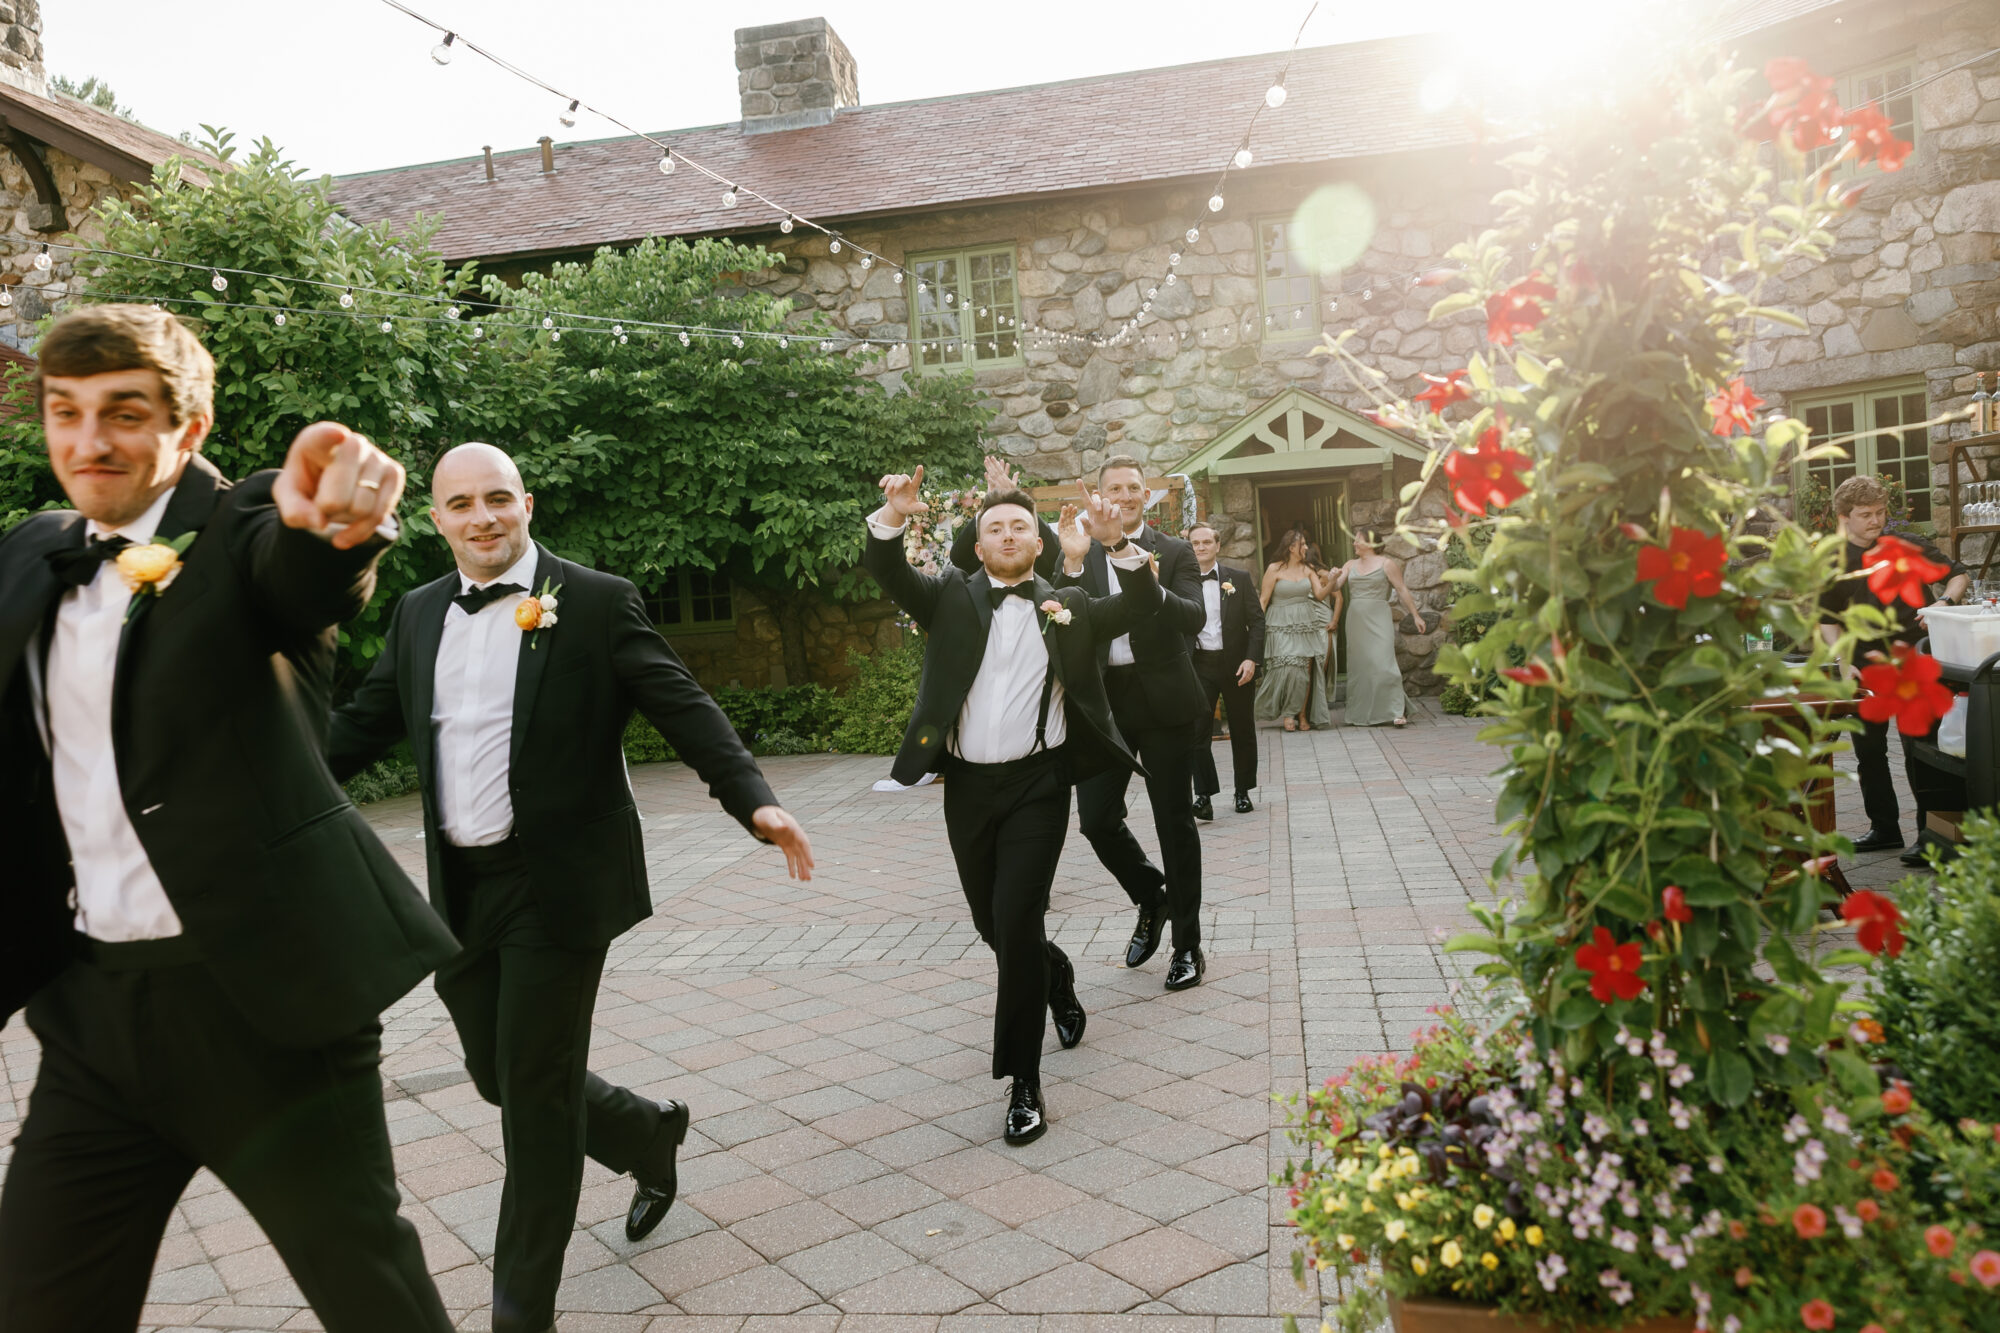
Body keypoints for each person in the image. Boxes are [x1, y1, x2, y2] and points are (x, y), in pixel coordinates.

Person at [0, 304, 457, 1332]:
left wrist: (335, 528)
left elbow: (300, 568)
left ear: (189, 427)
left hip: (262, 1008)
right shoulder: (30, 551)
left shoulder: (243, 523)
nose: (88, 441)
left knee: (373, 1299)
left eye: (123, 413)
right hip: (91, 1014)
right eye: (65, 412)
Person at [328, 443, 814, 1333]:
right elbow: (356, 730)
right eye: (461, 503)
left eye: (497, 498)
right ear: (436, 519)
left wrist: (754, 799)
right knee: (497, 1073)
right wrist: (258, 791)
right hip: (459, 886)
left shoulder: (593, 600)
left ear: (528, 504)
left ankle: (522, 1316)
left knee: (536, 1105)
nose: (482, 517)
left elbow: (682, 703)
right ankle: (643, 1131)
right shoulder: (418, 611)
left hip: (556, 887)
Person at [866, 467, 1161, 1143]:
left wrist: (1118, 543)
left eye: (1019, 527)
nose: (1006, 535)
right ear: (977, 546)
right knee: (992, 923)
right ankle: (1054, 974)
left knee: (1018, 919)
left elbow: (1142, 604)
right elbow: (887, 569)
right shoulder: (947, 598)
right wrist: (894, 517)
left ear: (1039, 543)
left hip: (1038, 786)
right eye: (994, 527)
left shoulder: (1070, 606)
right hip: (967, 788)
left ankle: (1024, 1082)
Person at [951, 455, 1209, 990]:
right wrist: (1005, 501)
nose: (1125, 495)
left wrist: (1145, 581)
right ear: (1098, 494)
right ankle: (1152, 896)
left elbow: (1194, 616)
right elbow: (1016, 583)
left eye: (1134, 487)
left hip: (1165, 702)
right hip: (1101, 705)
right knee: (1096, 819)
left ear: (1146, 494)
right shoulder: (1075, 546)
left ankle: (1187, 945)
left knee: (1173, 823)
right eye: (1115, 487)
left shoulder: (1174, 550)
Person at [1815, 473, 1968, 854]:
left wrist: (1943, 603)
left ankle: (1935, 839)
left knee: (1924, 752)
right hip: (1865, 664)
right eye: (1865, 514)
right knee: (1869, 752)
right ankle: (1884, 829)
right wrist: (1841, 660)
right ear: (1844, 517)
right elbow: (1826, 618)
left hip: (1914, 658)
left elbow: (1958, 575)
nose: (1876, 520)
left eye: (1880, 512)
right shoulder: (1833, 561)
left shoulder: (1906, 545)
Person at [1186, 521, 1264, 818]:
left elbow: (1257, 621)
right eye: (1195, 543)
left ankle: (1243, 791)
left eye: (1207, 542)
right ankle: (1203, 796)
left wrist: (1251, 659)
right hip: (1199, 664)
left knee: (1242, 729)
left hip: (1236, 664)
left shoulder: (1238, 578)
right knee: (1198, 731)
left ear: (1218, 545)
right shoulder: (1181, 582)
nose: (1201, 547)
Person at [1338, 527, 1428, 728]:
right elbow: (1336, 586)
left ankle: (1396, 711)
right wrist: (1332, 576)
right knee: (1361, 667)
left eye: (1358, 540)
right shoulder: (1350, 564)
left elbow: (1402, 590)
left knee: (1384, 664)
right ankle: (1360, 713)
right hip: (1356, 621)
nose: (1354, 543)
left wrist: (1416, 615)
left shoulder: (1387, 564)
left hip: (1379, 618)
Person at [1256, 528, 1337, 731]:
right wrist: (1256, 628)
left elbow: (1320, 595)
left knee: (1304, 672)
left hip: (1305, 623)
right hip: (1279, 623)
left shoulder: (1308, 569)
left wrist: (1333, 581)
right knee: (1287, 668)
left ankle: (1299, 715)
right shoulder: (1274, 569)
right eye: (1303, 544)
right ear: (1291, 547)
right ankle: (1287, 711)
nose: (1307, 547)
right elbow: (1263, 600)